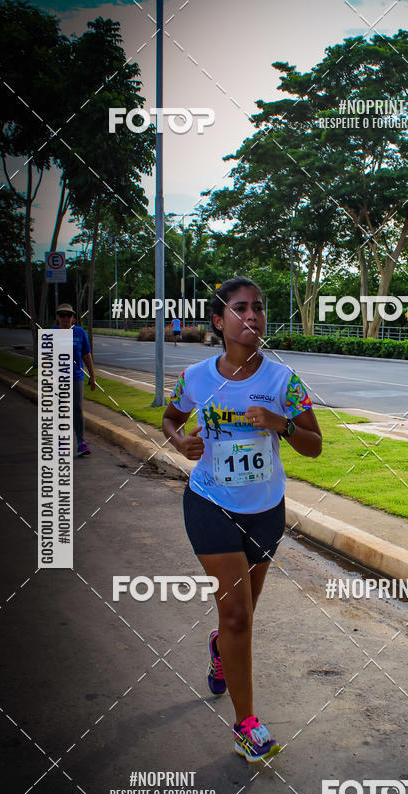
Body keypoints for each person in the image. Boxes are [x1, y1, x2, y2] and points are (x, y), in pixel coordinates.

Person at [162, 277, 322, 761]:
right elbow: (171, 418)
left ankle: (218, 648)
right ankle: (245, 725)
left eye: (257, 308)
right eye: (239, 308)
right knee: (236, 614)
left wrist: (281, 423)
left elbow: (313, 446)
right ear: (219, 320)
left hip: (266, 511)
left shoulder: (282, 383)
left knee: (243, 615)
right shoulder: (196, 377)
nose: (251, 316)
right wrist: (177, 440)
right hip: (210, 503)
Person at [54, 303, 96, 457]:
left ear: (73, 318)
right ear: (57, 317)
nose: (65, 318)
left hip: (76, 376)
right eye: (62, 315)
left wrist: (92, 376)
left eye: (68, 315)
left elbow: (86, 354)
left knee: (77, 408)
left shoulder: (79, 332)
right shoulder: (51, 333)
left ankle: (81, 442)